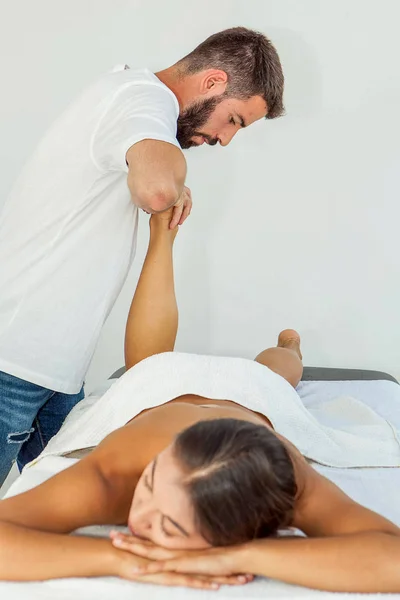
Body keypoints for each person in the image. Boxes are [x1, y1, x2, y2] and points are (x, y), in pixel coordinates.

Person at [0, 209, 399, 593]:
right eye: (151, 483)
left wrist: (244, 556)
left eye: (169, 526)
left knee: (275, 374)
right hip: (157, 392)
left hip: (251, 396)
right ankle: (162, 235)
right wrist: (121, 559)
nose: (136, 519)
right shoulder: (114, 480)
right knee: (149, 366)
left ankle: (289, 346)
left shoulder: (283, 484)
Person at [0, 27, 285, 483]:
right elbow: (155, 190)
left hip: (54, 375)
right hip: (12, 367)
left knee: (86, 506)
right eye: (234, 120)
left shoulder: (132, 101)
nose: (225, 139)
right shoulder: (141, 100)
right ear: (213, 82)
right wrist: (174, 183)